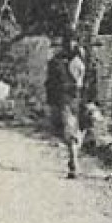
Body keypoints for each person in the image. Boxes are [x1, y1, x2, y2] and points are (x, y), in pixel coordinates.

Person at [45, 32, 88, 178]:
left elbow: (91, 80)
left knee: (81, 129)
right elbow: (50, 83)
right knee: (69, 131)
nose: (70, 45)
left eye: (73, 42)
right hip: (66, 98)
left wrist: (93, 100)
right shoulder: (57, 62)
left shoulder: (85, 60)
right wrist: (51, 101)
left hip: (81, 99)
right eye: (68, 41)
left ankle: (74, 157)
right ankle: (73, 162)